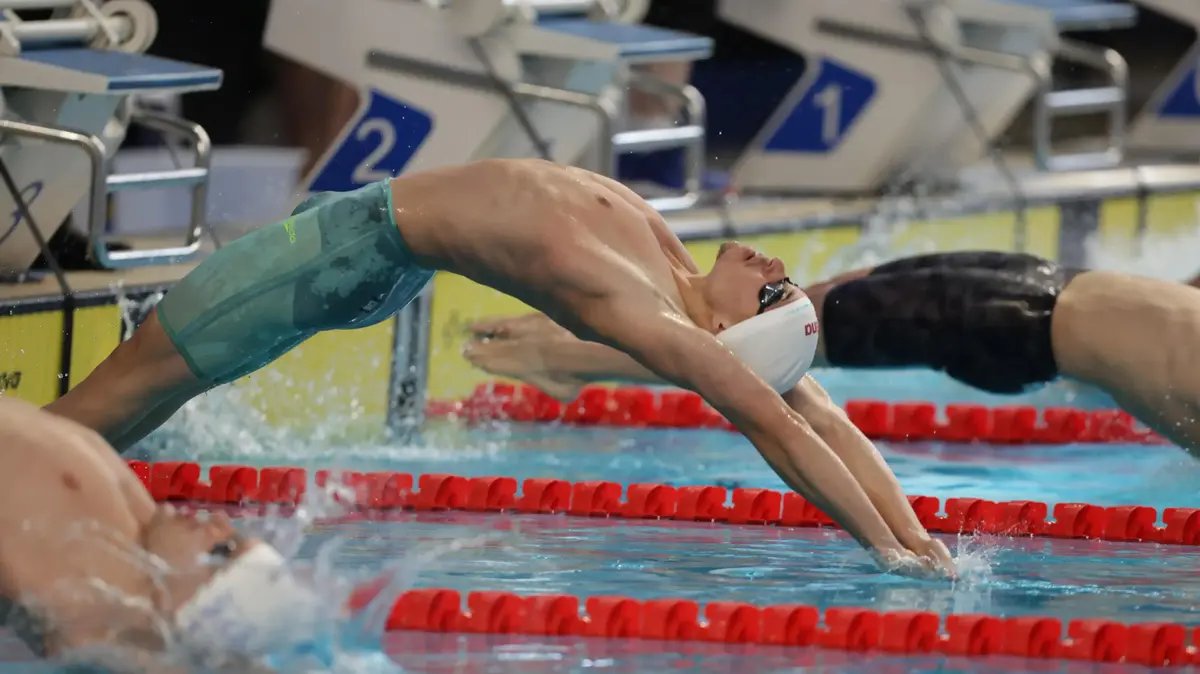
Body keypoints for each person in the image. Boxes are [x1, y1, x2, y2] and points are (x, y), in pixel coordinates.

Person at [45, 158, 953, 578]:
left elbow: (777, 423)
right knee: (133, 405)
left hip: (341, 253)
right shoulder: (675, 269)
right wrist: (922, 541)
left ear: (727, 333)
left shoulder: (645, 311)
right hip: (371, 249)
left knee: (112, 396)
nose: (773, 266)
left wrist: (883, 553)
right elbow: (818, 410)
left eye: (772, 290)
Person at [465, 250, 1200, 459]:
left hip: (1020, 312)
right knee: (802, 314)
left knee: (776, 337)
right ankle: (573, 347)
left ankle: (571, 354)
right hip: (1024, 294)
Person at [0, 395, 319, 670]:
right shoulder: (139, 533)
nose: (220, 521)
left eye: (221, 551)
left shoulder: (88, 611)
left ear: (185, 612)